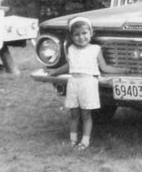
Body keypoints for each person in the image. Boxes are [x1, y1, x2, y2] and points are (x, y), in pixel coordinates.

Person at [51, 16, 125, 150]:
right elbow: (69, 65)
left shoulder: (95, 49)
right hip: (74, 83)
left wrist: (123, 70)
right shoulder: (71, 49)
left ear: (91, 33)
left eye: (84, 33)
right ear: (72, 36)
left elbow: (105, 67)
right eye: (76, 34)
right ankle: (72, 139)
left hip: (88, 84)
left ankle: (85, 141)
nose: (81, 37)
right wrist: (54, 72)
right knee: (74, 114)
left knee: (86, 114)